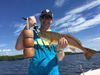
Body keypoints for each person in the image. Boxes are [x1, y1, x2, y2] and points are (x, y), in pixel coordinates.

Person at [15, 9, 68, 75]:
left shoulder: (57, 35)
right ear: (40, 19)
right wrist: (27, 26)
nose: (46, 20)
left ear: (52, 20)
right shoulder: (31, 34)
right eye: (43, 17)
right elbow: (18, 47)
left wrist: (60, 49)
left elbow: (60, 58)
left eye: (48, 17)